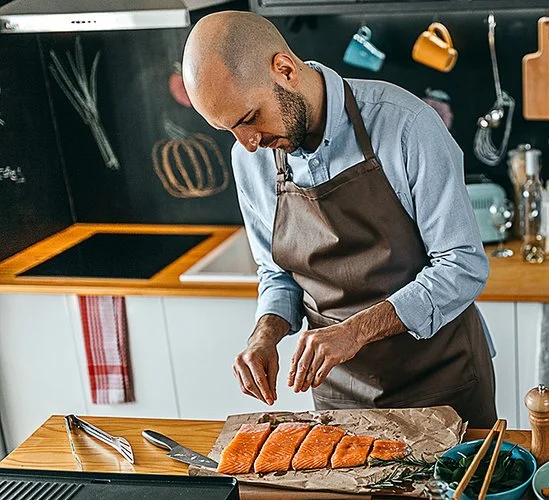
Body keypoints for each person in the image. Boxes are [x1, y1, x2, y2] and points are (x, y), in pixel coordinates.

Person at [182, 11, 497, 427]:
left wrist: (356, 331)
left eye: (249, 118)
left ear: (285, 69)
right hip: (341, 396)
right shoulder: (249, 158)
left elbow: (463, 265)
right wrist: (265, 334)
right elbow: (278, 274)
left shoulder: (406, 125)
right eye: (229, 131)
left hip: (442, 382)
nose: (249, 143)